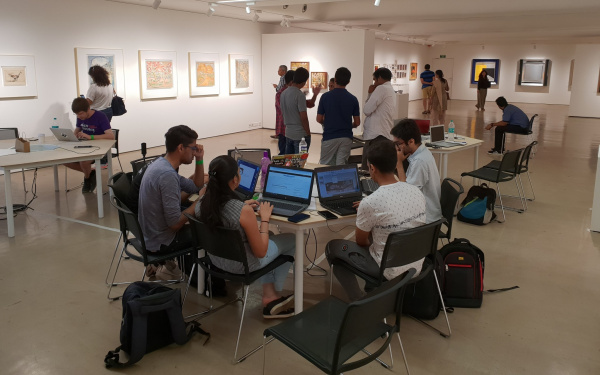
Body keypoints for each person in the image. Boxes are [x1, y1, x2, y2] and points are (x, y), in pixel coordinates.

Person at [195, 155, 296, 318]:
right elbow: (261, 252)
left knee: (268, 235)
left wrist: (243, 207)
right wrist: (264, 218)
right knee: (291, 238)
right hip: (243, 265)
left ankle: (269, 292)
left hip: (216, 260)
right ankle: (272, 295)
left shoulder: (201, 203)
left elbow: (226, 213)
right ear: (235, 179)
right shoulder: (242, 211)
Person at [325, 140, 426, 301]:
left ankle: (359, 301)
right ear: (395, 164)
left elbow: (361, 242)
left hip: (390, 270)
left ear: (372, 168)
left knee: (334, 248)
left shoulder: (371, 202)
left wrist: (368, 210)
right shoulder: (415, 191)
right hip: (417, 264)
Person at [138, 125, 205, 275]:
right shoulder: (166, 175)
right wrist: (201, 200)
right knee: (207, 233)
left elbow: (196, 185)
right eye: (194, 149)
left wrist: (199, 160)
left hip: (150, 235)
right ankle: (202, 280)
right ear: (181, 148)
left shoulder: (161, 164)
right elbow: (175, 224)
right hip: (162, 242)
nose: (195, 153)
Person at [391, 119, 442, 223]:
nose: (397, 148)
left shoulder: (420, 161)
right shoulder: (421, 152)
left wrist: (399, 164)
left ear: (411, 141)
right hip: (423, 210)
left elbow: (406, 194)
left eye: (398, 144)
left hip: (425, 218)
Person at [65, 97, 114, 193]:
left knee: (83, 162)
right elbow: (78, 129)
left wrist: (90, 137)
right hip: (85, 146)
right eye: (76, 114)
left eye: (80, 113)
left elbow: (111, 136)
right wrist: (73, 136)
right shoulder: (80, 117)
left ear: (88, 109)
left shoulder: (100, 116)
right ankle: (90, 172)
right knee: (64, 160)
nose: (78, 116)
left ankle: (87, 178)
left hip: (100, 148)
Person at [316, 67, 360, 165]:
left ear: (335, 79)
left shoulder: (325, 97)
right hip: (346, 137)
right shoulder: (353, 99)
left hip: (329, 136)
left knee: (325, 166)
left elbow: (319, 119)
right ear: (348, 81)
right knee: (341, 167)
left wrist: (329, 122)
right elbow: (357, 122)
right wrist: (347, 125)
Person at [361, 67, 395, 170]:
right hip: (384, 133)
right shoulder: (390, 89)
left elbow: (367, 110)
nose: (374, 83)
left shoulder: (381, 88)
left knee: (368, 169)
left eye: (375, 80)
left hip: (376, 135)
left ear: (379, 78)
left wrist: (370, 93)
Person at [280, 67, 321, 154]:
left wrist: (315, 95)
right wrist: (308, 133)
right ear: (303, 82)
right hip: (300, 135)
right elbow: (304, 118)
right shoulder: (299, 95)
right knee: (300, 164)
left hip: (288, 133)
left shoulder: (283, 93)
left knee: (289, 163)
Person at [274, 70, 295, 155]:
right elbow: (284, 110)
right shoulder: (281, 94)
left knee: (289, 155)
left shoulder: (284, 93)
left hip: (288, 129)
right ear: (291, 82)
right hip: (284, 128)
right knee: (284, 154)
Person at [271, 65, 288, 140]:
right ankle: (280, 133)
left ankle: (280, 133)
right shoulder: (285, 78)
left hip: (281, 99)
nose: (278, 71)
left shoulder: (283, 78)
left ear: (283, 71)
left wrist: (276, 87)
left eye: (279, 70)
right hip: (283, 99)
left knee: (280, 116)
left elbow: (280, 89)